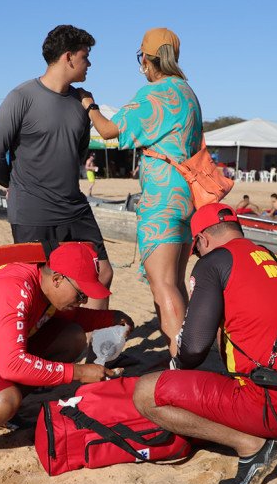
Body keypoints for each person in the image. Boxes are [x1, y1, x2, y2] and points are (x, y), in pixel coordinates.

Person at [132, 203, 277, 484]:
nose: (198, 256)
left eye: (197, 250)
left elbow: (193, 349)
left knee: (146, 393)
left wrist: (174, 370)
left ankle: (252, 447)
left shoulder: (214, 261)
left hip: (275, 409)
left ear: (202, 239)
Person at [0, 243, 134, 482]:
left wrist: (112, 317)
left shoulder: (45, 284)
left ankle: (7, 412)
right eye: (81, 294)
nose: (82, 301)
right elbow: (12, 365)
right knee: (3, 401)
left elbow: (73, 316)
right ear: (58, 279)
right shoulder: (14, 288)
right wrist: (79, 372)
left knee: (72, 338)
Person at [80, 27, 202, 354]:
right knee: (175, 283)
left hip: (161, 199)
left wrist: (89, 104)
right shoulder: (188, 93)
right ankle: (185, 353)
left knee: (162, 286)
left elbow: (108, 130)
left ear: (147, 60)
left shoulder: (154, 94)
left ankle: (181, 360)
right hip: (185, 198)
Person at [0, 25, 113, 310]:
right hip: (33, 211)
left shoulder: (82, 103)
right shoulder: (22, 97)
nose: (89, 63)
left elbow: (77, 156)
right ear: (68, 57)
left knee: (101, 272)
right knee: (39, 287)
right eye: (85, 56)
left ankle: (95, 352)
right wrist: (15, 185)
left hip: (74, 207)